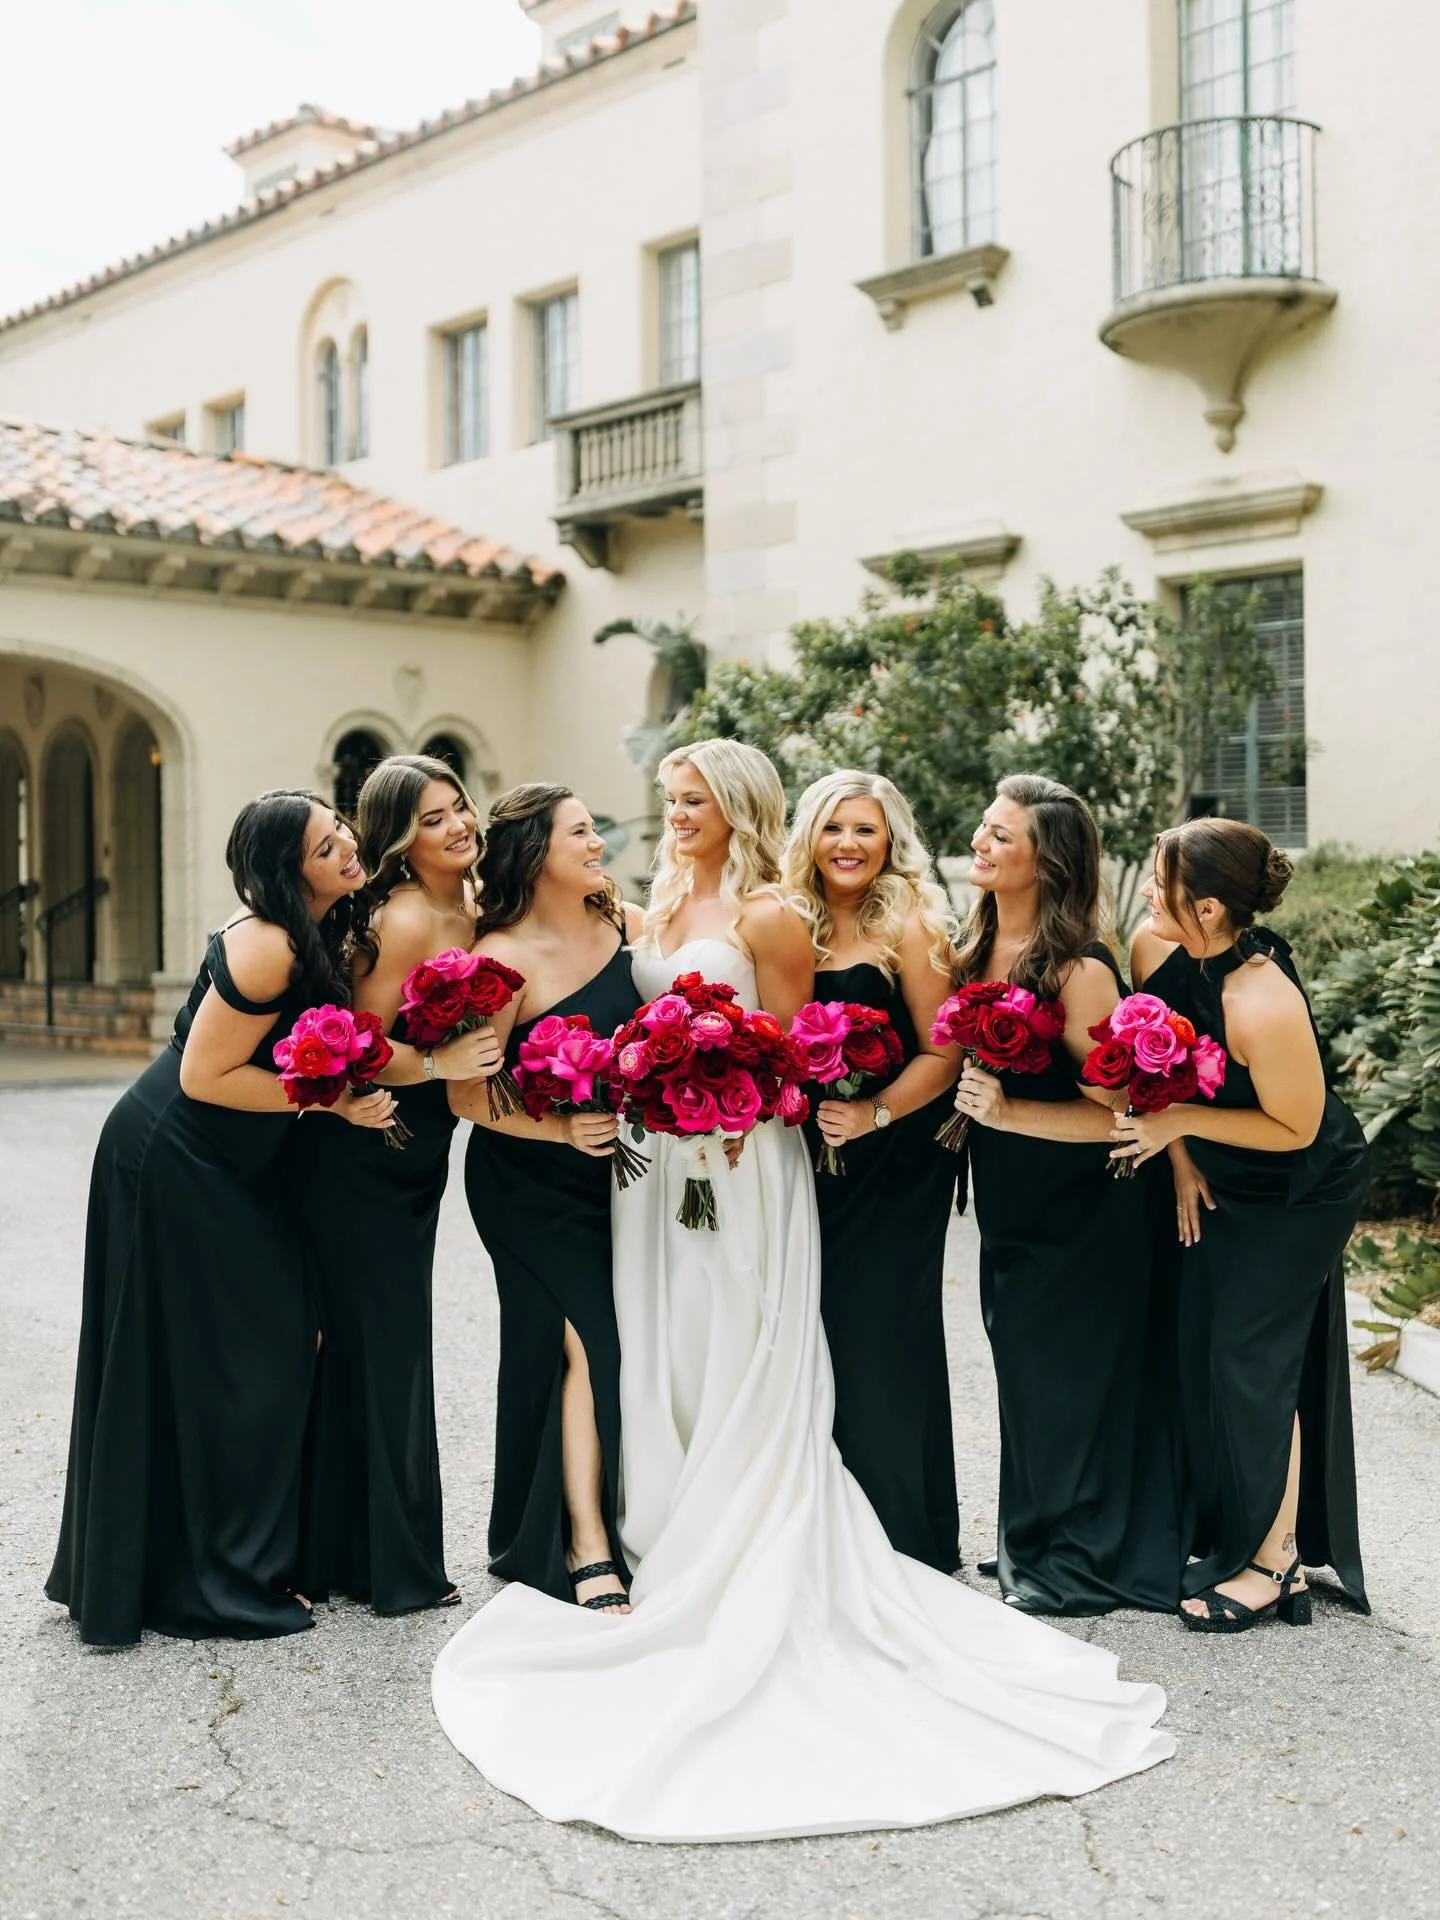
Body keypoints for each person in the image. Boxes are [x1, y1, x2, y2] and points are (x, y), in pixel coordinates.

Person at [431, 741, 1173, 1844]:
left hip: (741, 1159)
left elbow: (786, 1060)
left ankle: (746, 1524)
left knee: (741, 1329)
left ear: (737, 807)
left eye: (692, 800)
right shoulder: (645, 908)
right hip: (650, 1162)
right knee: (660, 1332)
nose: (674, 815)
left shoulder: (774, 916)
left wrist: (733, 1105)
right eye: (670, 799)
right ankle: (658, 1519)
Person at [46, 790, 394, 1646]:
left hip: (225, 1159)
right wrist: (334, 1102)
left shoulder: (313, 925)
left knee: (230, 1353)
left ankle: (194, 1563)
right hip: (175, 1157)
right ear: (288, 871)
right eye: (324, 848)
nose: (346, 848)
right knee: (251, 1353)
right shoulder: (271, 944)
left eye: (340, 831)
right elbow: (205, 1077)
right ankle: (216, 1581)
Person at [1121, 817, 1369, 1630]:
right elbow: (1154, 1081)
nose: (1147, 892)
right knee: (1213, 1348)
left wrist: (1181, 1125)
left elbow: (1297, 1129)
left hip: (1301, 1189)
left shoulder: (1264, 1000)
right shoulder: (1152, 949)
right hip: (1222, 1169)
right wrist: (1180, 1158)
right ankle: (1236, 1526)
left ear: (1210, 908)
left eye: (1161, 881)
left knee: (1248, 1358)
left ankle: (1277, 1561)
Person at [950, 774, 1182, 1615]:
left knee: (1067, 1377)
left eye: (1000, 835)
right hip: (1013, 1198)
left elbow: (1122, 1117)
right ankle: (1033, 1535)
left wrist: (1007, 1112)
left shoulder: (1080, 970)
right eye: (985, 826)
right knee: (1023, 1365)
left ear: (1045, 862)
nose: (980, 842)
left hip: (1086, 1206)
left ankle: (1077, 1558)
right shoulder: (973, 947)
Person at [294, 755, 501, 1616]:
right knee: (383, 1346)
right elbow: (359, 1049)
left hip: (418, 1154)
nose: (456, 826)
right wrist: (444, 1062)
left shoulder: (477, 905)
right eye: (430, 819)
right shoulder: (408, 917)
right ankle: (389, 1564)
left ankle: (341, 1551)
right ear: (399, 840)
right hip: (366, 1154)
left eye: (458, 808)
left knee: (381, 1345)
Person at [451, 785, 641, 1614]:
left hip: (620, 1181)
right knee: (590, 1343)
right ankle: (584, 1541)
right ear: (535, 853)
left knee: (588, 1348)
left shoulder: (627, 924)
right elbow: (466, 1094)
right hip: (527, 1184)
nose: (597, 843)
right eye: (581, 832)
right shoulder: (501, 959)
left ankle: (546, 1523)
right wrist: (560, 1130)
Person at [781, 769, 962, 1571]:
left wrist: (873, 1113)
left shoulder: (912, 925)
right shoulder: (792, 920)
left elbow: (944, 1053)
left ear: (890, 839)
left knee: (881, 1334)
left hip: (894, 1158)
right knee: (813, 1332)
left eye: (865, 829)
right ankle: (825, 1528)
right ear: (809, 836)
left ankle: (904, 1536)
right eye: (833, 827)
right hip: (809, 1156)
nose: (848, 844)